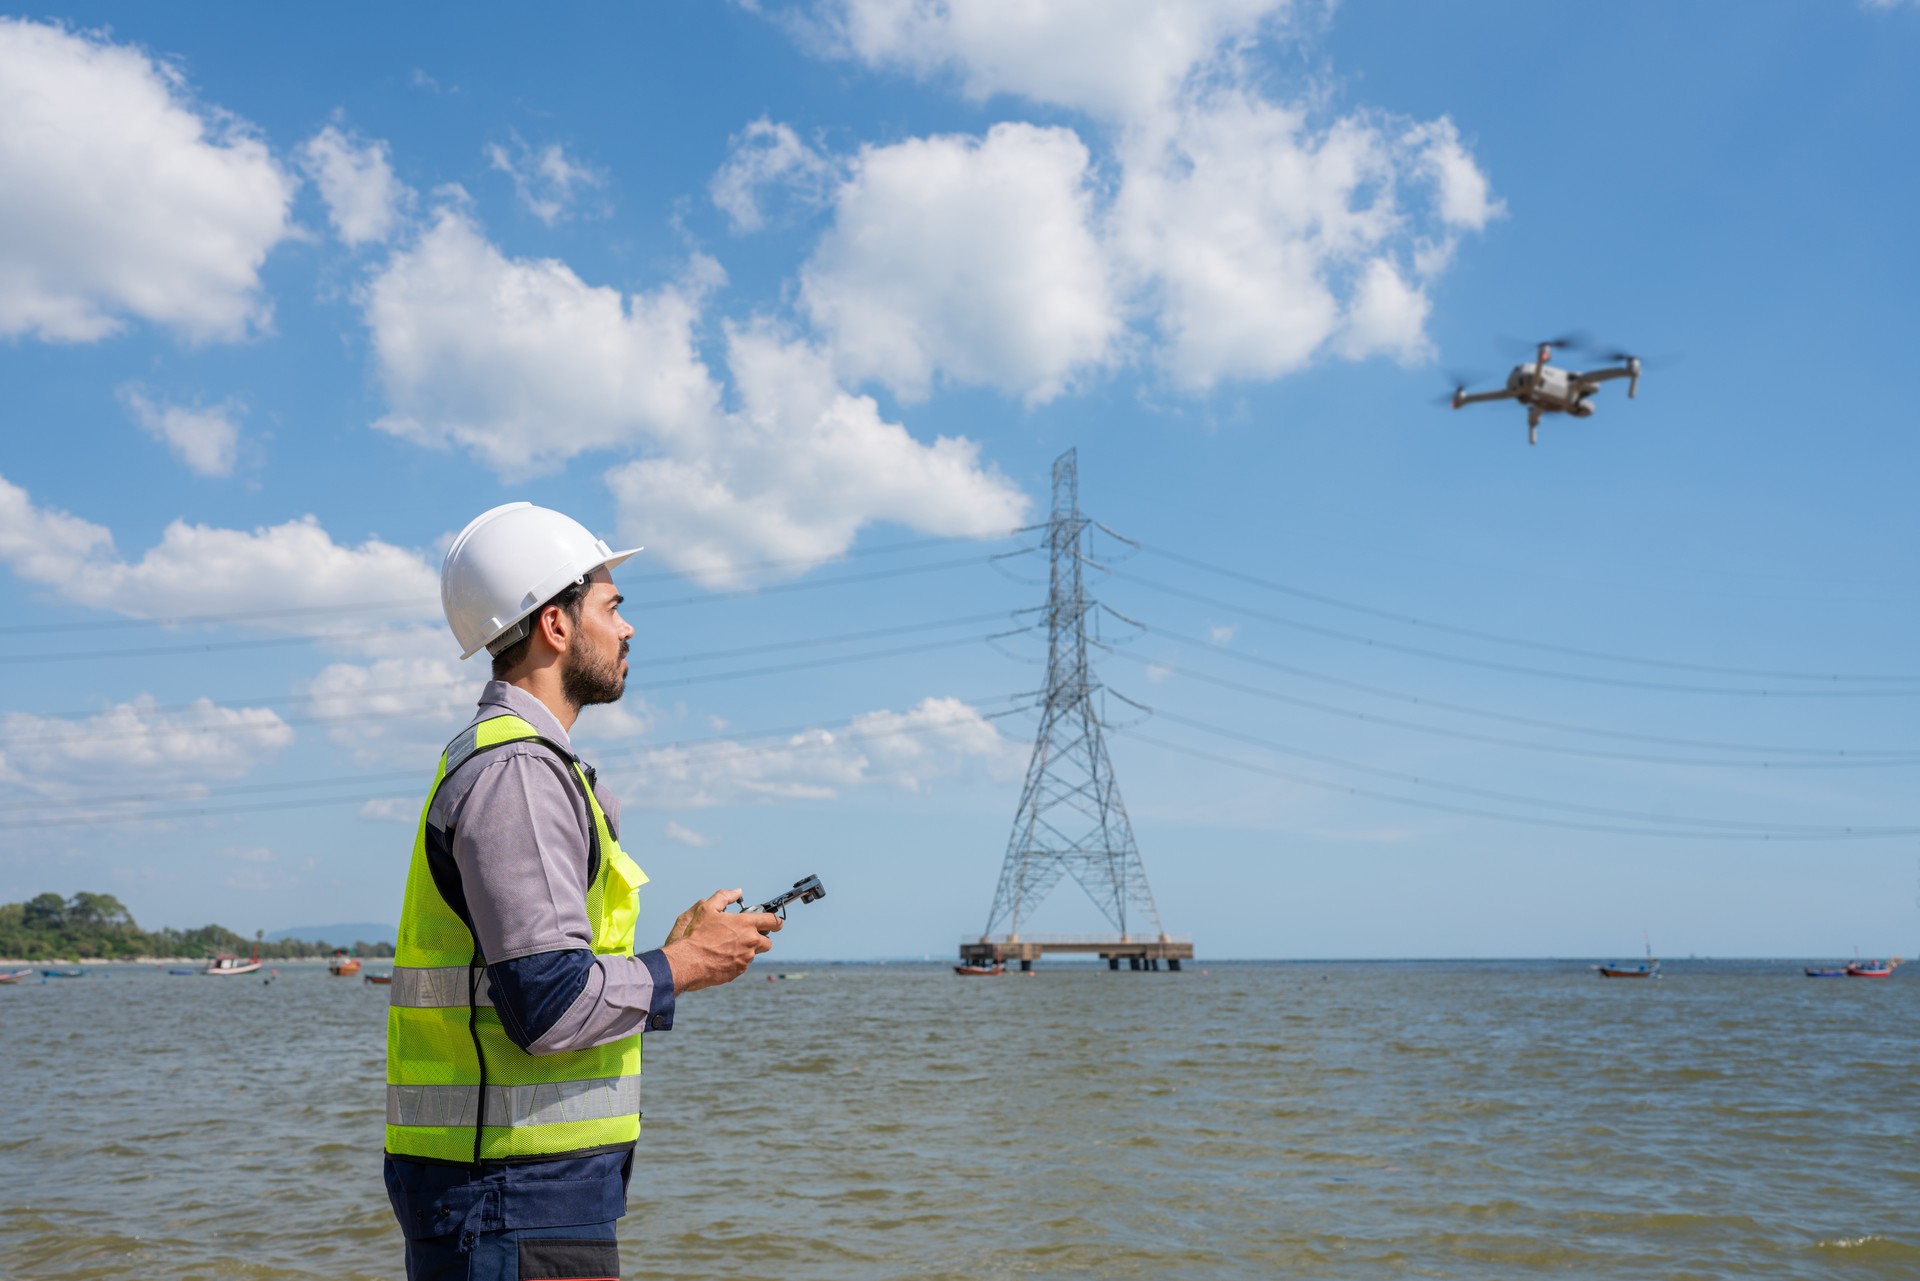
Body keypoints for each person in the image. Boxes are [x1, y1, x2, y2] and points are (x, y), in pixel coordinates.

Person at [383, 502, 781, 1279]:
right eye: (612, 607)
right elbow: (550, 1002)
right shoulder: (519, 774)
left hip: (512, 1198)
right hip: (512, 1200)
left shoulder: (514, 762)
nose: (628, 629)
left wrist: (669, 953)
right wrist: (685, 964)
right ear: (555, 626)